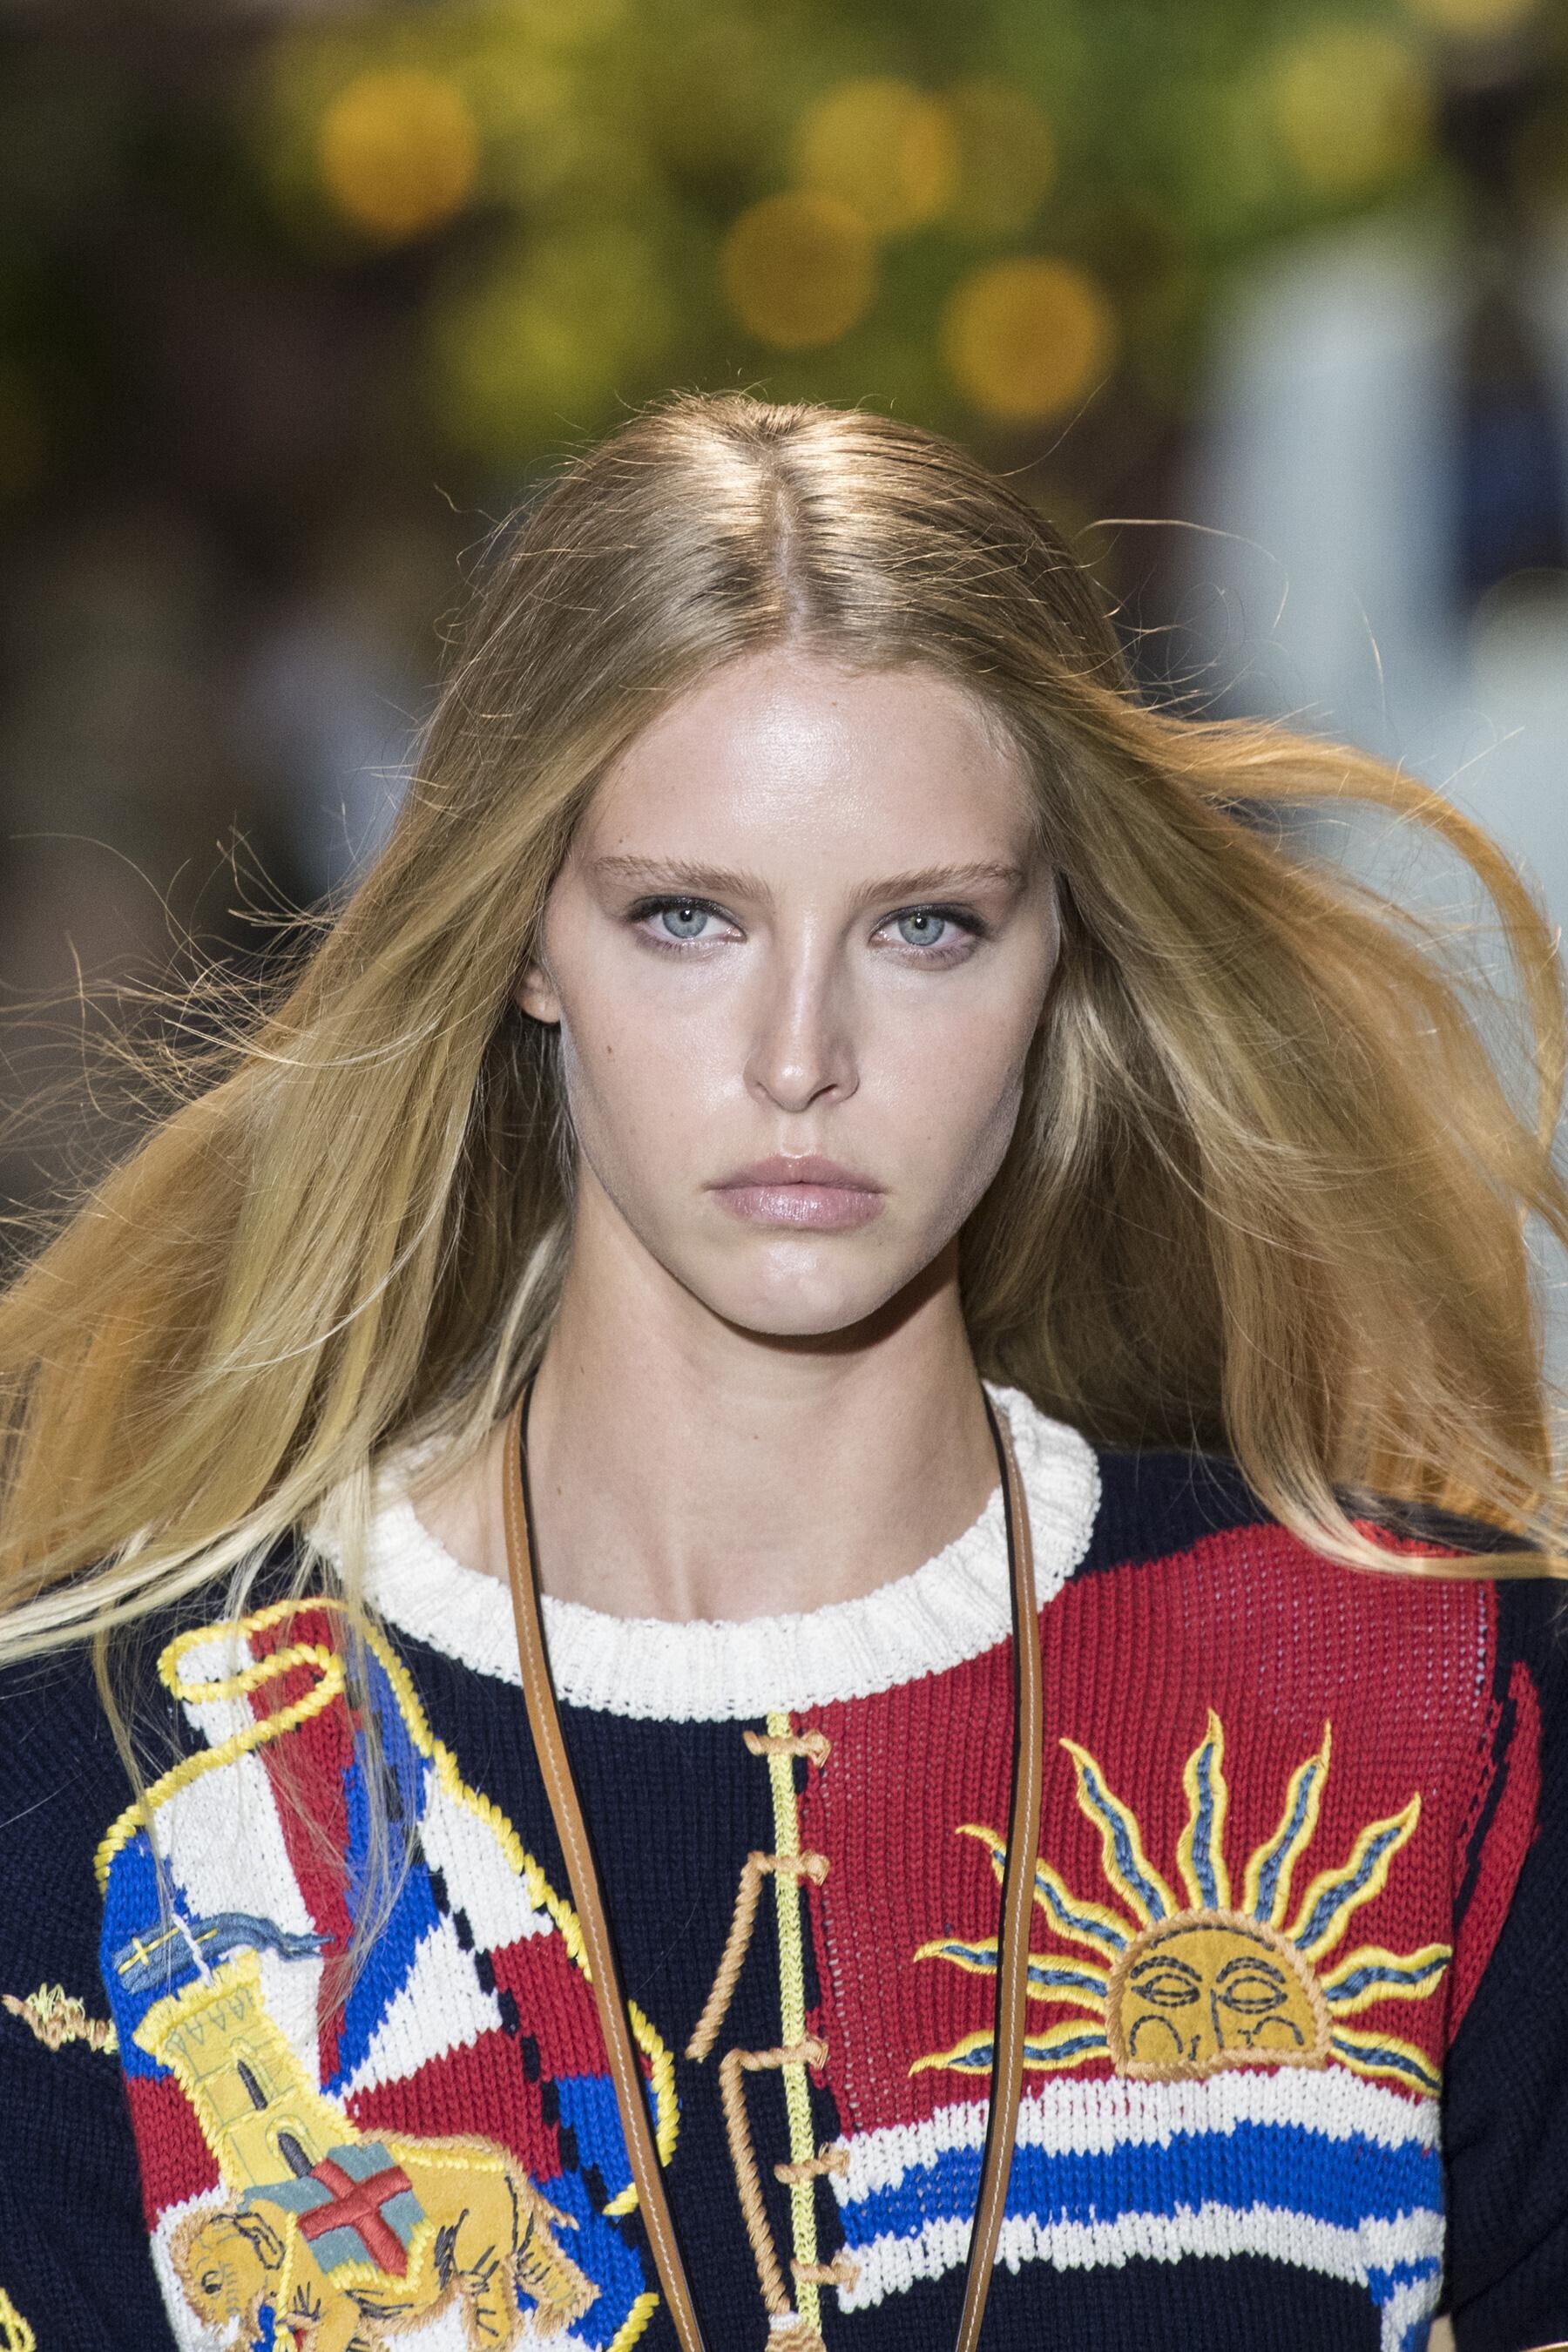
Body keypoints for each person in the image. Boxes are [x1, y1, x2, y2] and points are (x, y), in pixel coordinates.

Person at [0, 391, 1565, 2352]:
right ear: (525, 938)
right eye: (688, 918)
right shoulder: (103, 1781)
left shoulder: (1438, 1705)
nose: (801, 1056)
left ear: (1061, 952)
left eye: (926, 928)